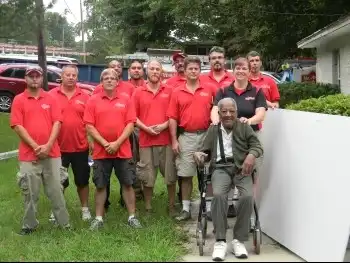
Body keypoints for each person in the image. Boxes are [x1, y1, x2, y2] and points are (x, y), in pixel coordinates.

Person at [194, 97, 263, 261]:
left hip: (241, 169)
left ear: (236, 112)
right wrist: (199, 154)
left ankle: (239, 240)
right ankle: (220, 240)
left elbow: (257, 146)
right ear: (218, 113)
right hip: (220, 168)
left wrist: (251, 156)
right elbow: (204, 150)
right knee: (218, 195)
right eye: (224, 111)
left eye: (231, 111)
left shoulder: (244, 127)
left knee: (247, 196)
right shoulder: (213, 129)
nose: (228, 114)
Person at [10, 65, 71, 235]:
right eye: (31, 76)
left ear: (42, 78)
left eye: (38, 76)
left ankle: (64, 224)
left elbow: (57, 122)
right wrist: (36, 147)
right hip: (29, 155)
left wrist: (48, 145)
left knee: (56, 191)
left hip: (52, 154)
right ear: (26, 78)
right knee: (30, 192)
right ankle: (29, 225)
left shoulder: (51, 99)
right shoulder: (19, 100)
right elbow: (17, 126)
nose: (35, 79)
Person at [211, 56, 267, 230]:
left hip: (249, 136)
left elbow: (261, 114)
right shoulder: (223, 90)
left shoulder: (257, 92)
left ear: (249, 71)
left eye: (244, 68)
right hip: (227, 137)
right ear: (233, 71)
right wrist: (217, 124)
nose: (241, 71)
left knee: (251, 176)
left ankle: (249, 215)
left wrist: (247, 122)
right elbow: (214, 111)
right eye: (238, 68)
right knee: (225, 171)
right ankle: (225, 211)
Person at [83, 68, 142, 230]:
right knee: (101, 185)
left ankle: (132, 216)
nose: (109, 80)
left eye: (113, 78)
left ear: (118, 82)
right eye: (106, 78)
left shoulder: (126, 99)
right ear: (101, 82)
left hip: (122, 151)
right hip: (101, 152)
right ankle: (99, 218)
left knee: (128, 184)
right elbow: (89, 125)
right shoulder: (93, 100)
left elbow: (130, 124)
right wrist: (104, 143)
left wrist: (117, 143)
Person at [167, 56, 216, 221]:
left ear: (200, 71)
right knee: (186, 174)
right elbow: (172, 117)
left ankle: (208, 208)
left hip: (206, 135)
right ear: (185, 71)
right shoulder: (177, 91)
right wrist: (174, 140)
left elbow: (217, 109)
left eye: (196, 68)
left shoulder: (209, 89)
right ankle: (186, 209)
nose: (193, 71)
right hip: (186, 136)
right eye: (190, 69)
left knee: (209, 174)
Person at [48, 64, 92, 222]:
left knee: (82, 180)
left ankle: (85, 209)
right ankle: (56, 209)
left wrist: (91, 141)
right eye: (68, 74)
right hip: (57, 148)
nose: (71, 77)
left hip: (81, 147)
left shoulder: (85, 96)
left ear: (77, 77)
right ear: (62, 76)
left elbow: (90, 122)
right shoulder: (51, 95)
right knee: (58, 181)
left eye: (74, 75)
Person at [133, 60, 177, 216]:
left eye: (157, 69)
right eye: (152, 69)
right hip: (146, 140)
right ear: (147, 71)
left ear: (161, 72)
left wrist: (164, 126)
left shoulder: (170, 90)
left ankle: (172, 206)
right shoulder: (138, 92)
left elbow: (174, 114)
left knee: (170, 176)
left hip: (166, 140)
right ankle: (148, 208)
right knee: (147, 176)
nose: (154, 71)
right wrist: (146, 129)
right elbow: (133, 116)